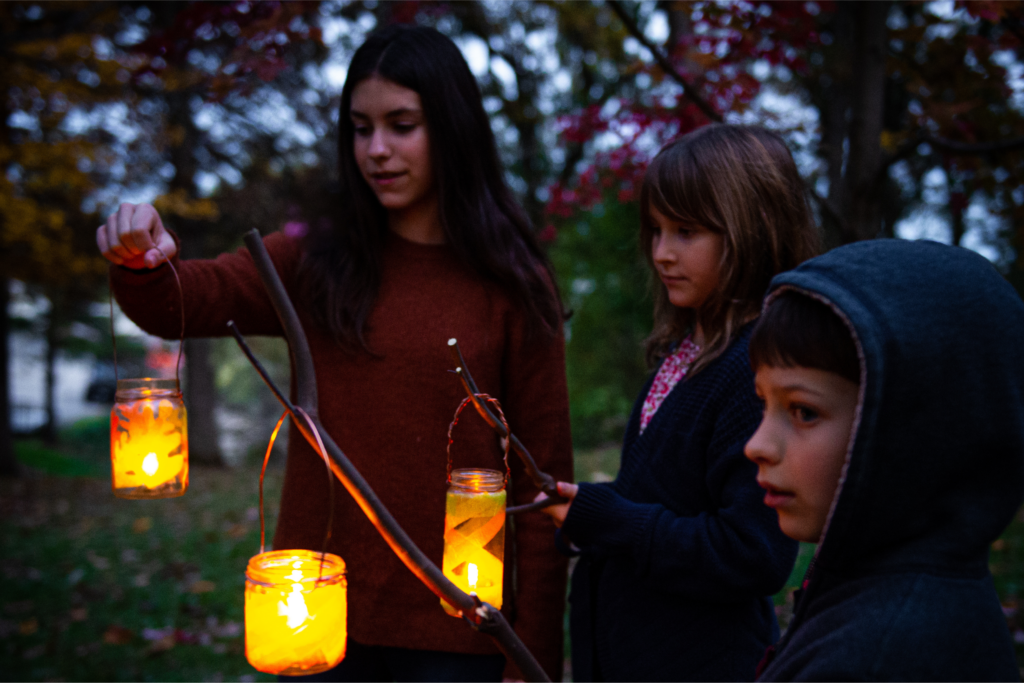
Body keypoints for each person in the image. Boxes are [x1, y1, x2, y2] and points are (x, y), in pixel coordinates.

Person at [97, 25, 573, 682]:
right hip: (315, 621)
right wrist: (141, 253)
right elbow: (179, 301)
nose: (376, 149)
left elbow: (544, 488)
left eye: (401, 124)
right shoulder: (317, 261)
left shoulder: (512, 284)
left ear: (452, 128)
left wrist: (533, 656)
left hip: (458, 637)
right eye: (360, 127)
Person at [537, 124, 816, 681]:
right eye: (656, 231)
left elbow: (752, 551)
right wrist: (589, 509)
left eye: (686, 231)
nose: (662, 254)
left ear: (751, 231)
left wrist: (613, 521)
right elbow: (669, 496)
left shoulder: (756, 372)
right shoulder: (687, 351)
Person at [745, 239, 1024, 681]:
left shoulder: (876, 657)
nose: (756, 445)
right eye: (763, 403)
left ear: (915, 430)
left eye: (803, 411)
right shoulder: (890, 594)